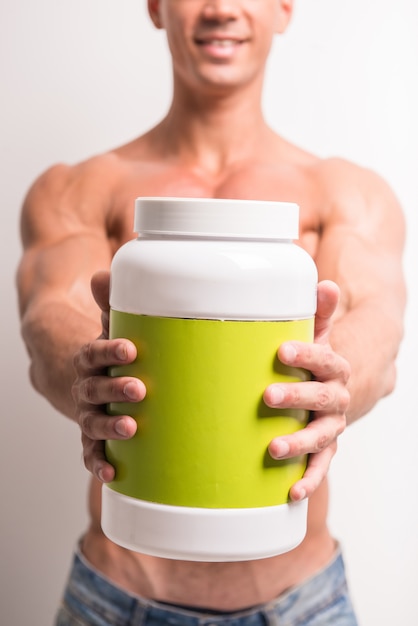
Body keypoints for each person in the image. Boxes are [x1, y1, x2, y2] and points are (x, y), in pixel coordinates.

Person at [17, 1, 406, 624]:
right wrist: (86, 369)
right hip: (114, 598)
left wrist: (336, 376)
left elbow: (377, 328)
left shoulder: (346, 193)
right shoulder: (81, 187)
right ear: (155, 8)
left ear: (283, 8)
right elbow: (50, 315)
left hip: (303, 601)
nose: (221, 7)